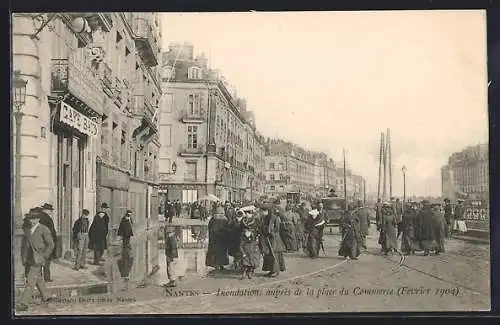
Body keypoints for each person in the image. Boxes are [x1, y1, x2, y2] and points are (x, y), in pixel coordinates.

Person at [16, 211, 55, 312]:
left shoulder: (44, 229)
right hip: (28, 259)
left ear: (38, 219)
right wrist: (23, 258)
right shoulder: (27, 230)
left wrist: (44, 256)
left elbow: (51, 245)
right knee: (37, 279)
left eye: (34, 219)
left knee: (30, 281)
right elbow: (24, 245)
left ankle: (24, 303)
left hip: (38, 259)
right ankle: (47, 296)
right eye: (30, 219)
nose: (32, 221)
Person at [261, 204, 286, 277]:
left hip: (274, 238)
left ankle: (276, 270)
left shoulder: (275, 217)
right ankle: (271, 270)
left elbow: (277, 228)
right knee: (269, 254)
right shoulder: (265, 218)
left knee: (275, 254)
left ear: (268, 211)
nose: (263, 212)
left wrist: (271, 232)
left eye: (264, 211)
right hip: (268, 238)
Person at [205, 206, 229, 270]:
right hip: (222, 239)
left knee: (214, 252)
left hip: (214, 239)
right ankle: (221, 264)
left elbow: (210, 228)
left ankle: (215, 264)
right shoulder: (225, 219)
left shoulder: (213, 219)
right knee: (222, 252)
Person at [239, 211, 261, 280]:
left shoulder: (256, 220)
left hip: (253, 239)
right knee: (245, 258)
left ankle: (250, 272)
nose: (246, 215)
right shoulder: (243, 220)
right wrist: (245, 231)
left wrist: (253, 233)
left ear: (251, 213)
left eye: (248, 213)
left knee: (252, 258)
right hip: (244, 237)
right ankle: (244, 272)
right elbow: (241, 227)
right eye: (246, 213)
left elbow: (258, 229)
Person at [38, 203, 57, 282]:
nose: (51, 212)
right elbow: (51, 230)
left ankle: (39, 278)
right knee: (47, 260)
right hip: (47, 241)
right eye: (50, 210)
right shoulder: (47, 218)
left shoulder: (39, 217)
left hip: (40, 241)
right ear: (46, 210)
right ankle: (46, 278)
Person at [117, 210, 134, 289]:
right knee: (126, 245)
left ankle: (126, 248)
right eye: (129, 215)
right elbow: (122, 227)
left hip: (127, 235)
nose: (129, 216)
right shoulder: (124, 220)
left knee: (127, 244)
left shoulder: (128, 219)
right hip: (125, 235)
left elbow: (130, 226)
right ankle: (126, 249)